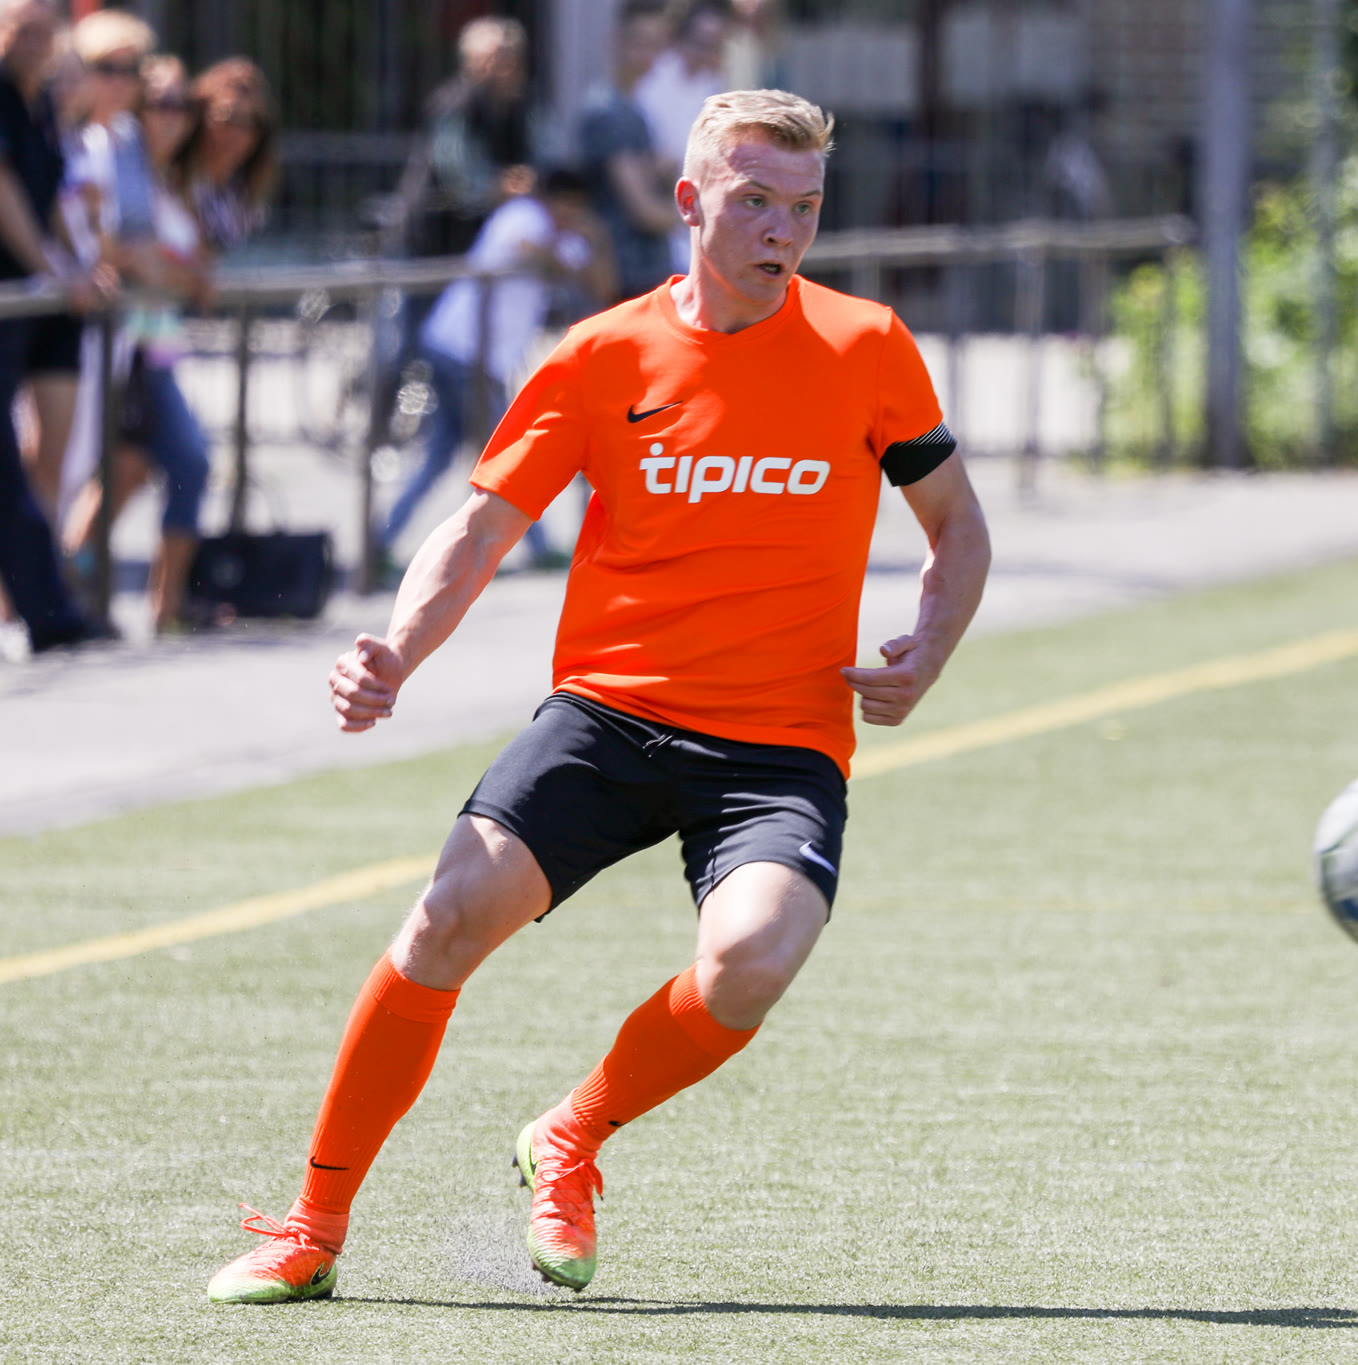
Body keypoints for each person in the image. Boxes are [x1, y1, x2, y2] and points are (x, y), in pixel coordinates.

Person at [206, 87, 990, 1305]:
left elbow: (956, 528)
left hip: (777, 743)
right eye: (754, 201)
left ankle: (570, 1134)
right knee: (447, 917)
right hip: (610, 717)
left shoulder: (867, 345)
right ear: (688, 201)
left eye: (803, 208)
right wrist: (396, 655)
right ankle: (310, 1228)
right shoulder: (601, 354)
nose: (781, 230)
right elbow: (480, 529)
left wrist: (926, 650)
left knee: (753, 959)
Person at [57, 16, 210, 633]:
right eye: (107, 69)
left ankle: (75, 592)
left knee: (118, 466)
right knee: (75, 465)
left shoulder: (123, 142)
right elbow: (108, 245)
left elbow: (147, 244)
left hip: (131, 337)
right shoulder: (79, 139)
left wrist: (158, 264)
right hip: (87, 326)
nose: (120, 83)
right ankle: (58, 593)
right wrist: (148, 263)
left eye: (129, 71)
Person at [379, 168, 616, 568]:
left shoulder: (563, 234)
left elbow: (602, 285)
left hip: (478, 357)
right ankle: (539, 547)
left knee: (440, 458)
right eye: (568, 207)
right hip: (463, 350)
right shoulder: (524, 215)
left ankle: (379, 544)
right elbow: (529, 249)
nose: (571, 215)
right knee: (510, 452)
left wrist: (597, 239)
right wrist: (568, 245)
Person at [0, 0, 101, 654]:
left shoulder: (38, 101)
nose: (34, 41)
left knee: (34, 468)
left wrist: (75, 269)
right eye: (21, 28)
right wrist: (53, 272)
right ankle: (48, 611)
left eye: (45, 30)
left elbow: (53, 194)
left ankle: (46, 607)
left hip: (34, 302)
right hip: (14, 295)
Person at [393, 16, 534, 259]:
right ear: (476, 62)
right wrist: (499, 187)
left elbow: (540, 159)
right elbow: (458, 178)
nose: (512, 67)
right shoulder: (451, 105)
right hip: (436, 240)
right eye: (502, 58)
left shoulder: (518, 110)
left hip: (479, 241)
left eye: (516, 58)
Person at [579, 0, 681, 301]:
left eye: (656, 44)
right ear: (616, 42)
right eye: (641, 43)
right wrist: (706, 216)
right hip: (625, 276)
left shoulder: (634, 108)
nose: (648, 55)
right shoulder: (608, 111)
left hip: (647, 272)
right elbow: (644, 211)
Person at [636, 0, 728, 274]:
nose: (705, 53)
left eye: (713, 45)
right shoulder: (654, 75)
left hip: (692, 197)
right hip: (651, 192)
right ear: (682, 37)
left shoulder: (713, 85)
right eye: (701, 43)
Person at [167, 56, 275, 253]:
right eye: (227, 117)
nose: (237, 133)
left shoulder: (245, 193)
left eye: (250, 122)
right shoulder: (170, 182)